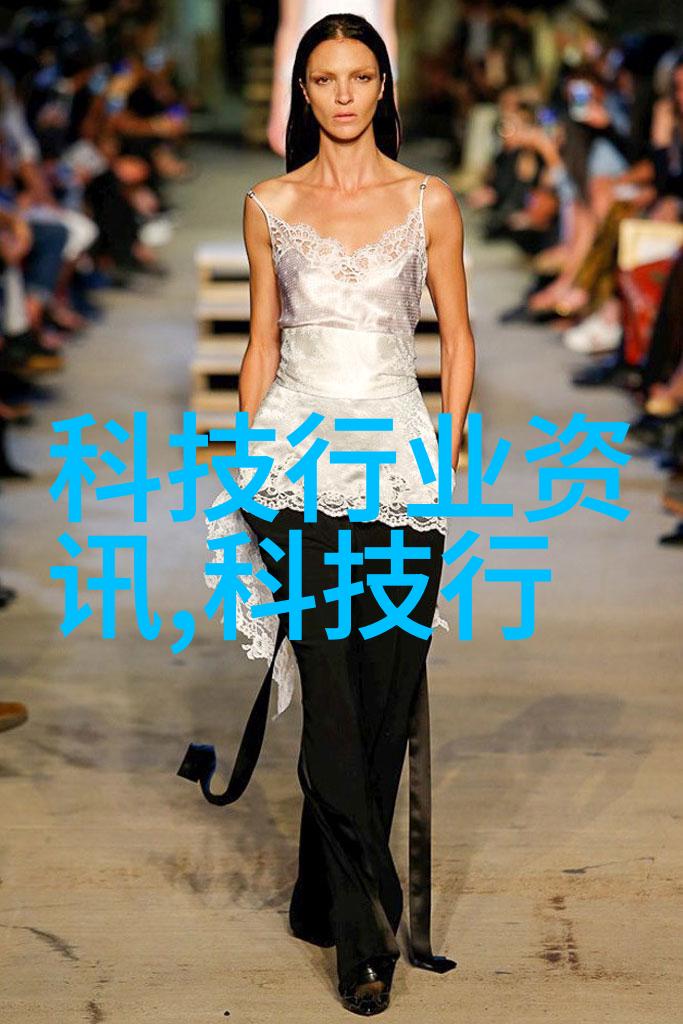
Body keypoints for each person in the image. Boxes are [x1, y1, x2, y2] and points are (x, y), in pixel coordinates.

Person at [178, 13, 475, 1016]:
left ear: (382, 87)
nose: (342, 95)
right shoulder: (270, 203)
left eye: (358, 76)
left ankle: (321, 890)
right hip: (294, 461)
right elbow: (261, 339)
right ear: (300, 93)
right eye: (323, 78)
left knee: (383, 695)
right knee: (334, 700)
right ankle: (363, 936)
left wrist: (450, 440)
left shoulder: (427, 200)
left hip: (397, 457)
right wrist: (243, 455)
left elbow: (456, 333)